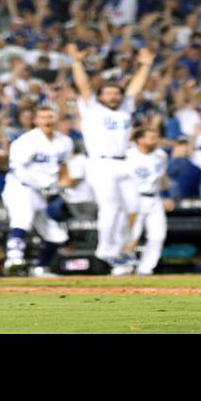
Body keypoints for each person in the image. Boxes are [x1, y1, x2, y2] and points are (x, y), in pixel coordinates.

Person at [66, 44, 154, 272]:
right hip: (99, 163)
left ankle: (121, 248)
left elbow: (134, 88)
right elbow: (83, 86)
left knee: (134, 205)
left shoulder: (125, 108)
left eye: (116, 92)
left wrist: (145, 66)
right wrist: (76, 62)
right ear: (101, 96)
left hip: (123, 162)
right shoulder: (92, 108)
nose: (113, 95)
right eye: (109, 93)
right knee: (111, 208)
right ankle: (106, 249)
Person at [1, 106, 75, 277]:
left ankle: (41, 267)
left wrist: (60, 190)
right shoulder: (26, 141)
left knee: (57, 234)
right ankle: (13, 259)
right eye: (42, 117)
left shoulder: (65, 142)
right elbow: (16, 169)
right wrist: (41, 185)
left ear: (56, 119)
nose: (47, 120)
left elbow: (63, 167)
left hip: (46, 192)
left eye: (50, 116)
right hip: (21, 187)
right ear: (35, 120)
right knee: (23, 218)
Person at [123, 127, 174, 276]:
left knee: (158, 235)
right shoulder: (128, 155)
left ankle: (146, 269)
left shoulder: (161, 155)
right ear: (140, 140)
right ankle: (123, 267)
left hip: (154, 198)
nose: (156, 140)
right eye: (151, 137)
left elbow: (163, 177)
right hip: (133, 198)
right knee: (131, 236)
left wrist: (167, 195)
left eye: (156, 137)